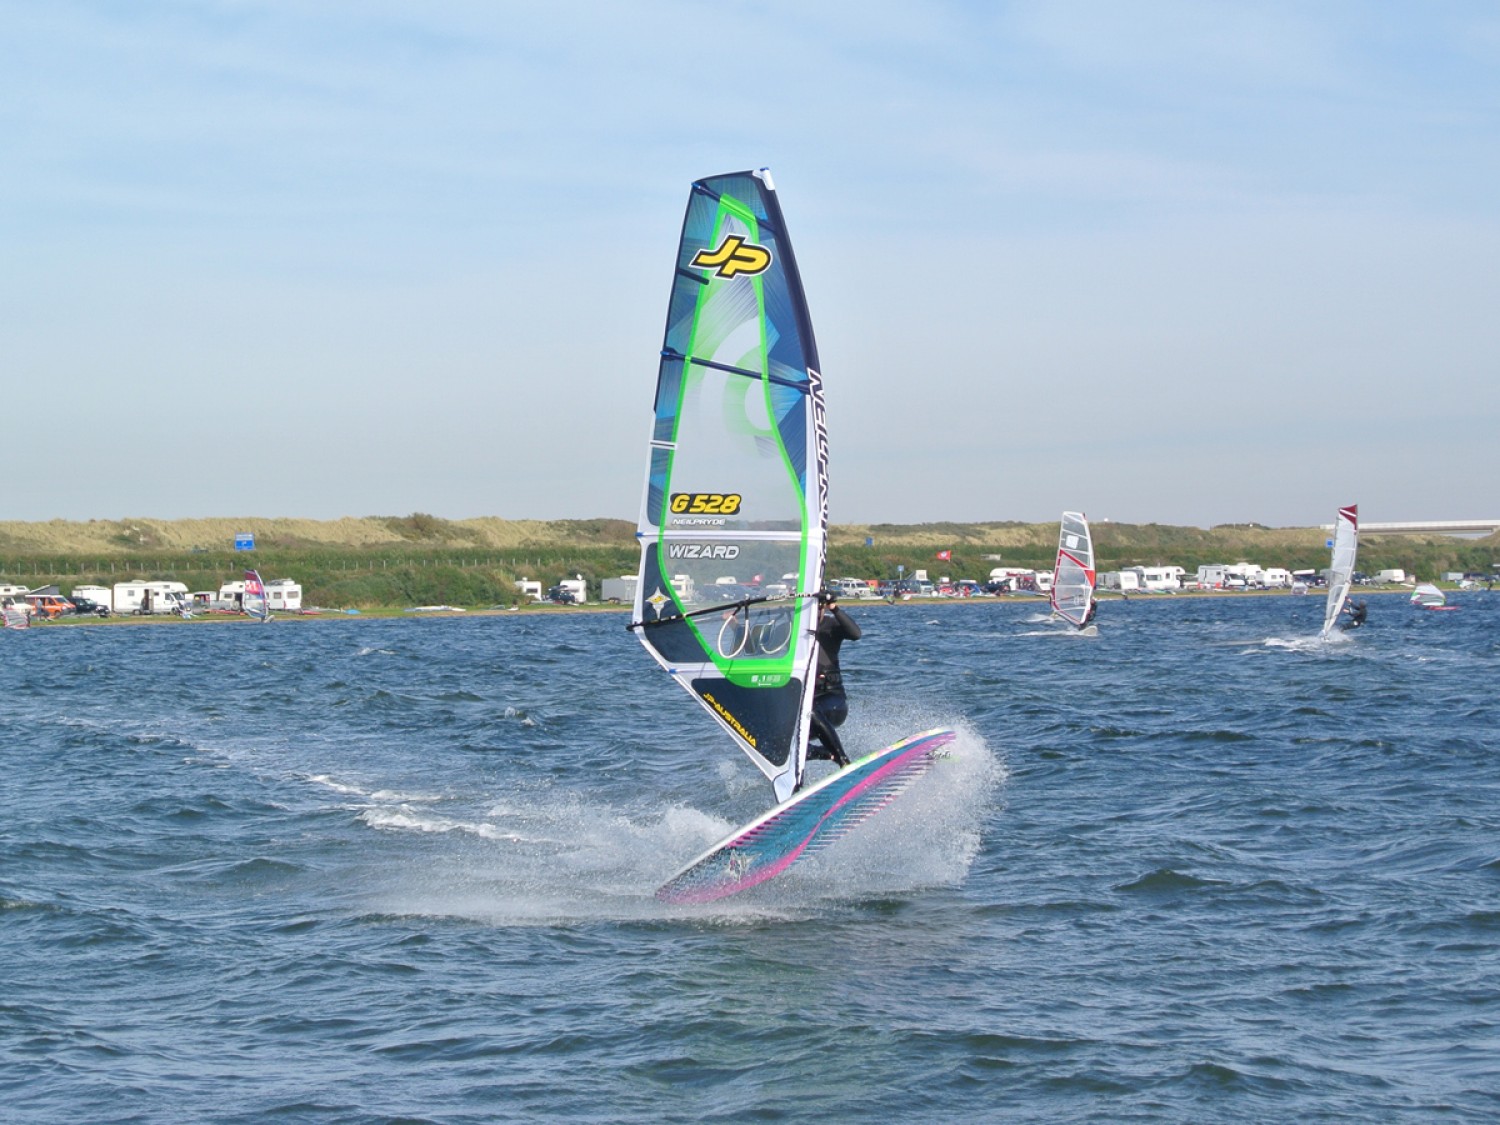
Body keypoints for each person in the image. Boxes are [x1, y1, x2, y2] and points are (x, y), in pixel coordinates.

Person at [806, 589, 861, 768]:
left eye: (818, 607)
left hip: (832, 701)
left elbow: (855, 634)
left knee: (810, 711)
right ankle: (826, 753)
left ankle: (843, 760)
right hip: (805, 706)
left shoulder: (830, 626)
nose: (815, 612)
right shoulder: (792, 630)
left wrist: (833, 608)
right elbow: (756, 645)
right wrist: (735, 626)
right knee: (779, 741)